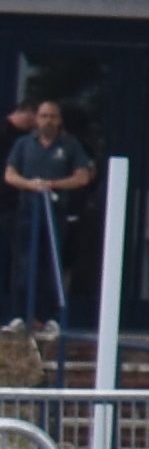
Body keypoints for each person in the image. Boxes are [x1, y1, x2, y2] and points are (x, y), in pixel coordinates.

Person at [2, 99, 84, 341]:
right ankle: (19, 317)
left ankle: (50, 318)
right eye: (44, 116)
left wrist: (53, 184)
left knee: (52, 265)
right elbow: (10, 174)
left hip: (55, 212)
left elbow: (82, 177)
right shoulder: (23, 144)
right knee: (22, 264)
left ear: (59, 120)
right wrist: (31, 185)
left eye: (53, 116)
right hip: (27, 211)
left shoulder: (70, 146)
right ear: (36, 119)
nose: (48, 121)